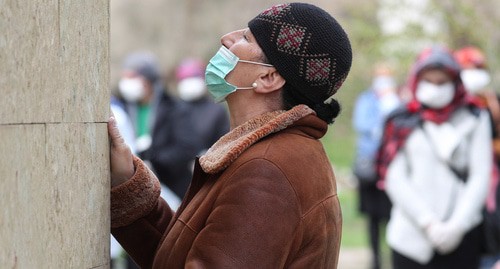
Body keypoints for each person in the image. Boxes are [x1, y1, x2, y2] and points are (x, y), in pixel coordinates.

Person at [108, 3, 352, 268]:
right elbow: (181, 256)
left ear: (269, 77)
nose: (227, 38)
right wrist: (127, 181)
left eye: (246, 37)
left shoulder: (267, 170)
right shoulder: (276, 153)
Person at [376, 45, 492, 269]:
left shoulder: (475, 115)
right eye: (429, 81)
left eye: (442, 82)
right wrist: (428, 223)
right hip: (410, 237)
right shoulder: (400, 119)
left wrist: (457, 226)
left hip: (463, 235)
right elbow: (394, 176)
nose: (435, 88)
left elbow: (481, 175)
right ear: (416, 80)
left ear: (455, 81)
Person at [117, 51, 199, 199]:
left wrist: (154, 160)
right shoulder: (121, 108)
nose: (126, 82)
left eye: (132, 77)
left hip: (171, 188)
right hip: (132, 187)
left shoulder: (175, 109)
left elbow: (187, 148)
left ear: (148, 80)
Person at [455, 46, 500, 269]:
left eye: (477, 68)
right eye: (468, 68)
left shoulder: (490, 102)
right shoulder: (450, 108)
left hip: (492, 181)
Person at [352, 63, 400, 269]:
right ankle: (375, 259)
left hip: (391, 167)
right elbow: (361, 124)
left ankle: (393, 255)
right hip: (370, 165)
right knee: (372, 215)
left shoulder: (398, 100)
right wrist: (381, 118)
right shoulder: (366, 99)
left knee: (391, 214)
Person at [174, 58, 230, 159]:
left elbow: (224, 142)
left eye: (193, 77)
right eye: (185, 78)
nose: (190, 83)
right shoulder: (172, 109)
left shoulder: (216, 110)